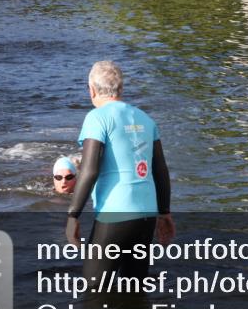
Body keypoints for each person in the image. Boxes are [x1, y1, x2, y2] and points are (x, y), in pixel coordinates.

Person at [67, 61, 174, 281]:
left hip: (114, 215)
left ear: (92, 90)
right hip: (146, 215)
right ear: (121, 89)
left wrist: (73, 216)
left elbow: (89, 171)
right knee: (134, 288)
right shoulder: (145, 119)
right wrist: (164, 213)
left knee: (93, 289)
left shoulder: (97, 118)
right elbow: (160, 170)